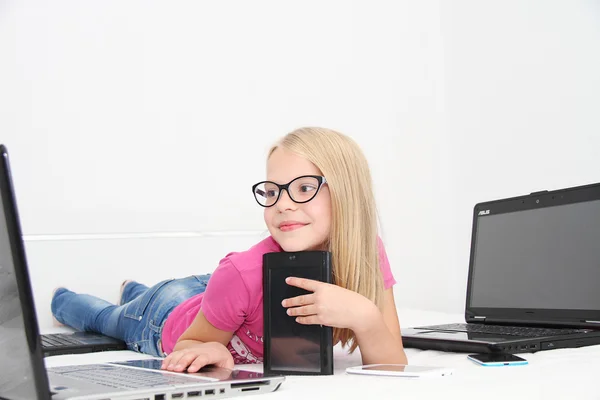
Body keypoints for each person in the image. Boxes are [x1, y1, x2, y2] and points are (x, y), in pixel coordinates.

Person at [51, 127, 407, 373]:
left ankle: (137, 289)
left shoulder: (366, 253)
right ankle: (65, 298)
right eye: (273, 191)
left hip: (214, 297)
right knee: (111, 320)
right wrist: (209, 348)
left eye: (303, 188)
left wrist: (365, 315)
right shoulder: (244, 274)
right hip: (165, 318)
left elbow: (393, 364)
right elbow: (191, 342)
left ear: (346, 193)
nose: (282, 204)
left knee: (182, 297)